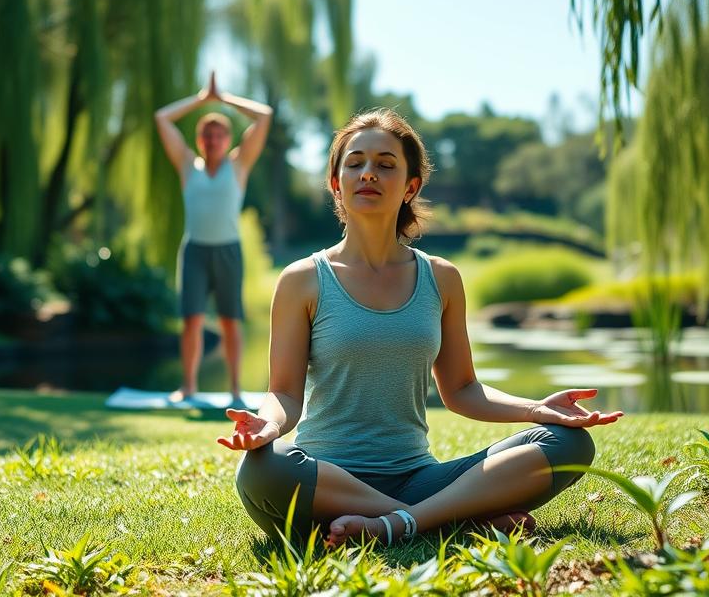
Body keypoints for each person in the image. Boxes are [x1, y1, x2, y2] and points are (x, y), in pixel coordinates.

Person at [217, 108, 622, 547]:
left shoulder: (441, 278)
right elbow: (284, 394)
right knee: (263, 466)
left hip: (420, 478)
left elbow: (463, 388)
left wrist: (536, 410)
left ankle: (395, 523)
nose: (368, 173)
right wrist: (267, 426)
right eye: (355, 163)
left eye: (385, 165)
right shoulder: (302, 279)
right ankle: (449, 520)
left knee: (569, 445)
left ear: (411, 186)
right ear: (337, 182)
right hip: (325, 478)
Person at [154, 73, 272, 408]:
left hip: (228, 252)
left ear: (228, 139)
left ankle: (235, 389)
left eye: (219, 134)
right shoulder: (186, 165)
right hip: (194, 251)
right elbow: (162, 118)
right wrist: (201, 99)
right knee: (191, 320)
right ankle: (188, 386)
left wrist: (224, 98)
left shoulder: (238, 165)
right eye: (207, 134)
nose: (213, 139)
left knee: (230, 321)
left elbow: (264, 116)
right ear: (199, 139)